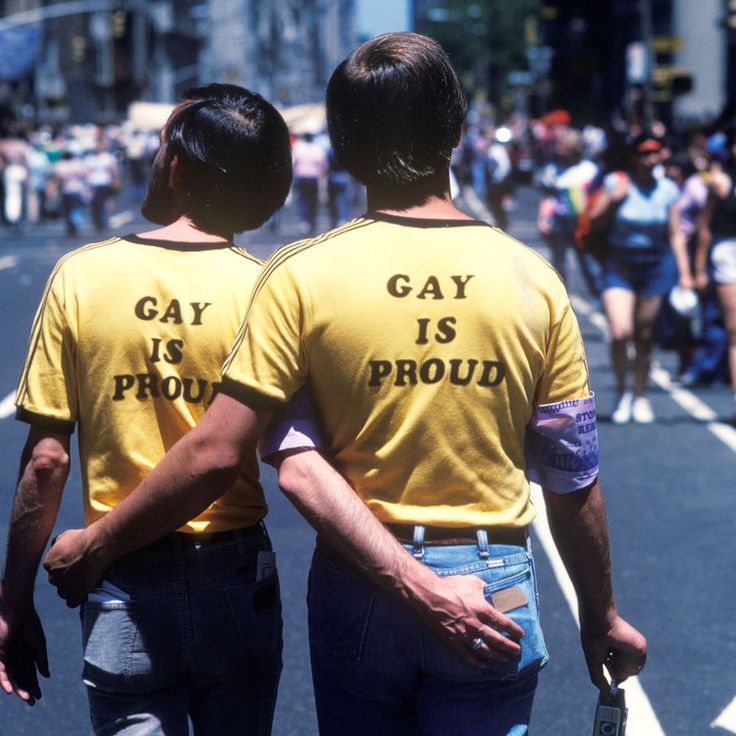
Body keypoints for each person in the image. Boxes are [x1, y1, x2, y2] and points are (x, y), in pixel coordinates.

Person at [42, 34, 646, 736]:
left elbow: (270, 460)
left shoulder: (299, 275)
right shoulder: (532, 278)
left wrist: (97, 545)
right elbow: (572, 479)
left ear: (341, 146)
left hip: (362, 578)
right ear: (456, 131)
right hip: (495, 581)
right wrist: (600, 616)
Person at [0, 83, 293, 735]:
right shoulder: (265, 290)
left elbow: (46, 462)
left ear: (178, 168)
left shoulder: (82, 276)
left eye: (164, 146)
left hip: (124, 581)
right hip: (235, 577)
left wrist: (12, 598)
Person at [591, 134, 691, 424]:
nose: (650, 159)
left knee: (645, 336)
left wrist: (685, 272)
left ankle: (641, 394)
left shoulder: (668, 190)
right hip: (620, 264)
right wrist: (613, 199)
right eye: (644, 154)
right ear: (634, 157)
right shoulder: (616, 183)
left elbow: (675, 233)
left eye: (655, 153)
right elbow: (593, 221)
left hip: (655, 266)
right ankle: (622, 393)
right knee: (621, 331)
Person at [697, 130, 736, 424]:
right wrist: (697, 268)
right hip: (729, 252)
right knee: (735, 329)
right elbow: (705, 226)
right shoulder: (721, 183)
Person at [537, 127, 601, 295]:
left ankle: (598, 294)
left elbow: (597, 197)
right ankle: (561, 297)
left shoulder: (589, 170)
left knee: (587, 260)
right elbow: (547, 196)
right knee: (559, 260)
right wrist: (543, 219)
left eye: (563, 147)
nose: (558, 150)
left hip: (583, 222)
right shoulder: (552, 170)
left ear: (574, 149)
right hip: (560, 221)